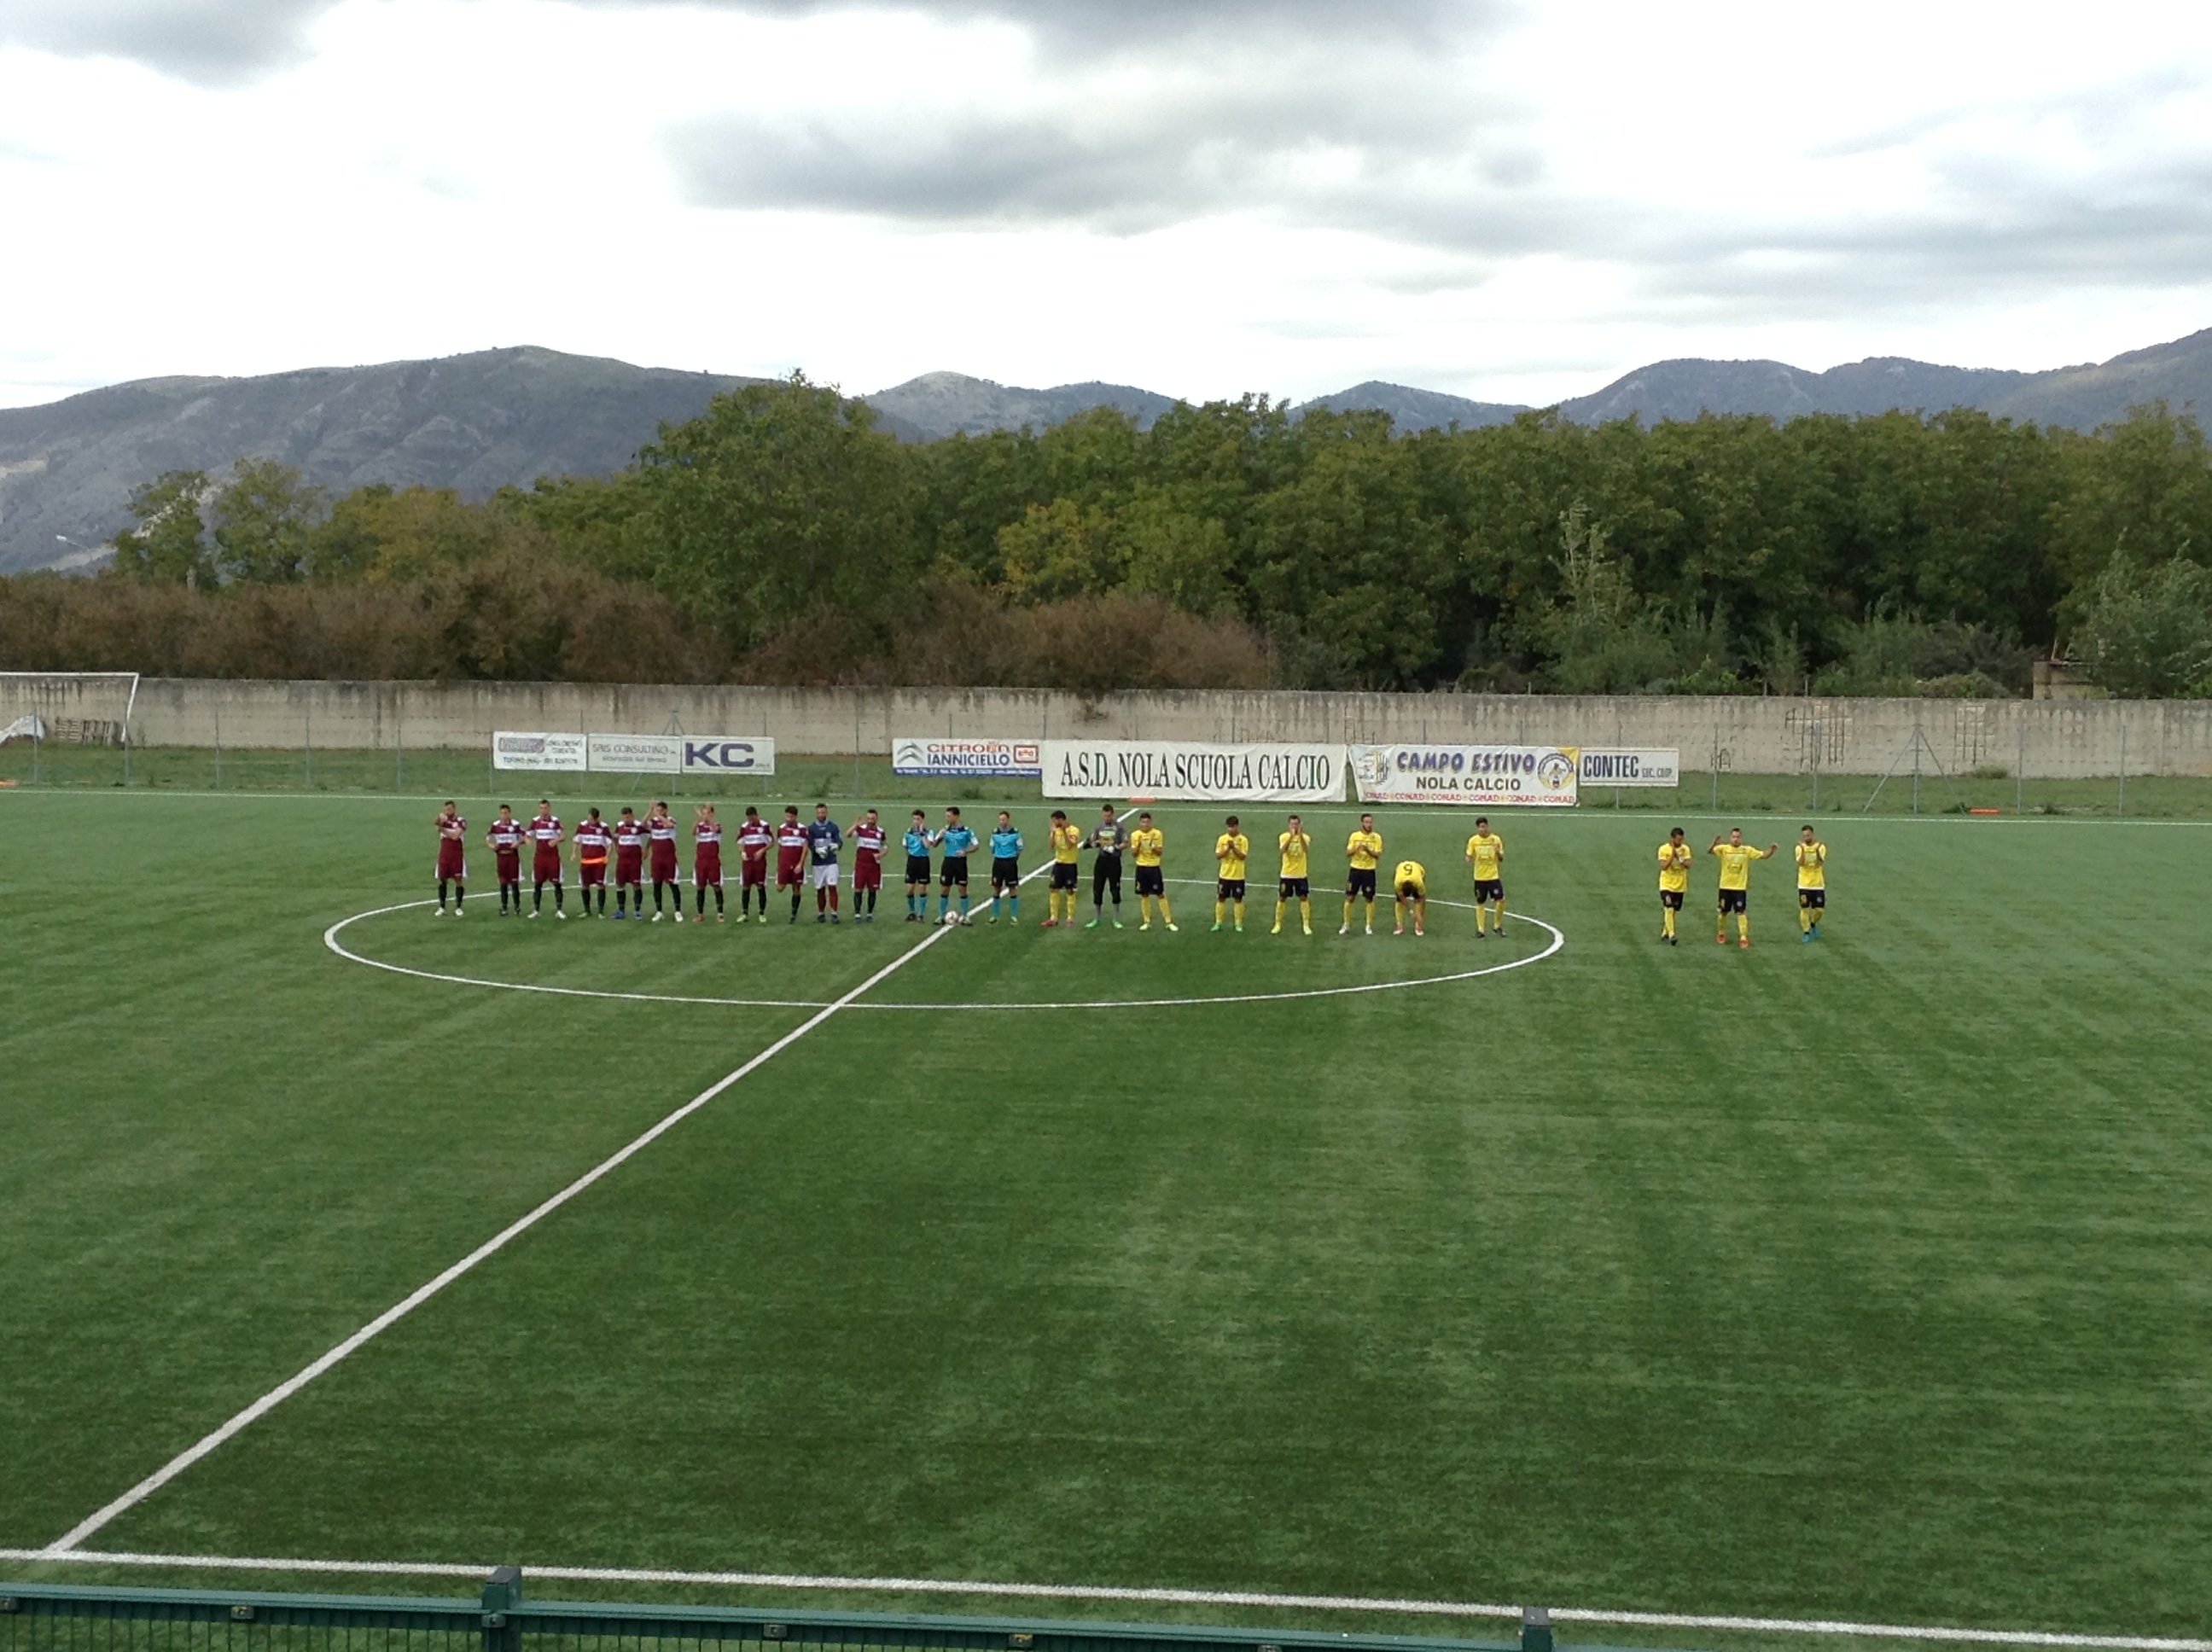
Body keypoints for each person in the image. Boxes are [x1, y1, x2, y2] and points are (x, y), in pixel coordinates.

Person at [1710, 828, 1778, 948]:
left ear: (1741, 838)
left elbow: (1763, 855)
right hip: (1725, 887)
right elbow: (1710, 851)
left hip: (1740, 888)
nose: (1736, 839)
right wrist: (1714, 843)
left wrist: (1771, 850)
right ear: (1730, 838)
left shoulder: (1747, 850)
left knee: (1741, 912)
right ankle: (1721, 933)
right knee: (1723, 912)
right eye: (1734, 837)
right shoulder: (1724, 849)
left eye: (1738, 837)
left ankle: (1743, 937)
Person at [1129, 810, 1174, 932]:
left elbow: (1160, 852)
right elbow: (1133, 854)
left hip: (1154, 867)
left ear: (1151, 823)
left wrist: (1152, 846)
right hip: (1141, 867)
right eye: (1143, 822)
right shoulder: (1135, 835)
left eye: (1147, 822)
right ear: (1140, 823)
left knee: (1160, 893)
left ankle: (1168, 921)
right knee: (1144, 894)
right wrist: (1139, 844)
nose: (1145, 825)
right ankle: (1146, 921)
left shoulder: (1157, 834)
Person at [1341, 812, 1382, 935]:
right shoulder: (1354, 836)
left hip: (1369, 871)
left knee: (1369, 898)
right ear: (1362, 823)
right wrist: (1357, 848)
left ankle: (1368, 926)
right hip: (1355, 870)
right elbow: (1348, 853)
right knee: (1350, 897)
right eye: (1366, 822)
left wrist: (1368, 850)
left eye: (1370, 822)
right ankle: (1346, 924)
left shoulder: (1376, 837)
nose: (1368, 824)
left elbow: (1378, 855)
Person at [1086, 803, 1126, 930]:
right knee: (1098, 888)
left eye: (1109, 816)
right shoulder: (1099, 827)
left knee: (1115, 889)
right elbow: (1092, 841)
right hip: (1102, 860)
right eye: (1105, 815)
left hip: (1114, 860)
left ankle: (1116, 919)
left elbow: (1126, 842)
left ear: (1112, 814)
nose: (1107, 818)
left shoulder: (1119, 827)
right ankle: (1097, 918)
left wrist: (1117, 847)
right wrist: (1096, 843)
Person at [1464, 816, 1505, 937]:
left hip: (1493, 876)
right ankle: (1480, 930)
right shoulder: (1473, 841)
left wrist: (1497, 851)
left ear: (1487, 826)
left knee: (1500, 900)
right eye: (1480, 827)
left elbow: (1501, 859)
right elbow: (1469, 856)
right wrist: (1468, 858)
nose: (1482, 830)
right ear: (1477, 828)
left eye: (1484, 827)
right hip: (1479, 877)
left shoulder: (1495, 839)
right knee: (1480, 902)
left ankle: (1497, 926)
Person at [935, 806, 977, 925]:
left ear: (956, 816)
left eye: (949, 816)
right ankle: (941, 915)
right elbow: (934, 844)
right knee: (944, 888)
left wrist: (966, 851)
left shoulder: (966, 831)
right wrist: (940, 837)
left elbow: (976, 845)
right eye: (946, 816)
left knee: (962, 889)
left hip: (960, 862)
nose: (947, 818)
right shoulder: (945, 830)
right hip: (948, 861)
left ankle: (965, 916)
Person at [1272, 814, 1313, 936]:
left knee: (1303, 898)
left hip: (1301, 874)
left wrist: (1299, 835)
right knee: (1282, 898)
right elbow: (1282, 850)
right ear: (1288, 825)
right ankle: (1278, 924)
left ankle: (1306, 925)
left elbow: (1306, 849)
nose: (1294, 826)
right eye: (1292, 824)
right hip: (1287, 874)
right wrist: (1291, 836)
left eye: (1296, 824)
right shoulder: (1284, 837)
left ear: (1300, 825)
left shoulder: (1305, 837)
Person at [1043, 809, 1083, 928]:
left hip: (1070, 864)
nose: (1054, 823)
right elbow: (1051, 846)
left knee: (1070, 891)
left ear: (1062, 820)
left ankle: (1070, 918)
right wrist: (1053, 833)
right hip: (1059, 864)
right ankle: (1053, 918)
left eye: (1056, 821)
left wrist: (1064, 831)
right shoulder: (1056, 830)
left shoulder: (1074, 830)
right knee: (1053, 889)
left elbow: (1070, 845)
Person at [1213, 814, 1251, 933]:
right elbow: (1218, 856)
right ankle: (1218, 923)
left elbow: (1243, 856)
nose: (1231, 829)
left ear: (1237, 827)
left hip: (1238, 875)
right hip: (1224, 875)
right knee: (1221, 898)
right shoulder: (1222, 839)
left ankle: (1238, 924)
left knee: (1238, 899)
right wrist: (1227, 849)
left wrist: (1233, 847)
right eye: (1229, 827)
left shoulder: (1243, 840)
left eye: (1233, 827)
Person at [527, 800, 566, 918]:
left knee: (557, 883)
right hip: (540, 858)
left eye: (545, 808)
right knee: (537, 884)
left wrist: (556, 840)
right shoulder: (535, 821)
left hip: (552, 858)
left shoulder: (555, 821)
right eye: (541, 808)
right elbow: (527, 834)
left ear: (549, 809)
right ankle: (536, 910)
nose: (543, 810)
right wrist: (527, 840)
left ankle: (559, 910)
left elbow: (563, 835)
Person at [1656, 825, 1693, 945]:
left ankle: (1665, 932)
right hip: (1666, 883)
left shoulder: (1685, 849)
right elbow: (1664, 867)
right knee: (1669, 907)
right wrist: (1672, 855)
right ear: (1672, 839)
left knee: (1674, 910)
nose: (1680, 842)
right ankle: (1672, 934)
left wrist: (1679, 858)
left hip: (1680, 884)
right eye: (1678, 840)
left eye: (1681, 839)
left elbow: (1688, 865)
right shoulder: (1663, 849)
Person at [808, 801, 844, 923]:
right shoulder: (811, 828)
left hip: (831, 862)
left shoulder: (833, 827)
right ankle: (821, 913)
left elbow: (839, 841)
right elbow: (809, 844)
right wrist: (816, 850)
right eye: (819, 812)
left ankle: (834, 913)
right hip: (818, 864)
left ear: (827, 812)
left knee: (832, 886)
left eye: (823, 812)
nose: (821, 814)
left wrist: (837, 846)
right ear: (816, 813)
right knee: (820, 889)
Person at [647, 800, 684, 922]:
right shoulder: (653, 822)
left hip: (669, 858)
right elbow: (642, 825)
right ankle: (659, 911)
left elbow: (669, 825)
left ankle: (677, 911)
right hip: (657, 858)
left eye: (661, 810)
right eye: (657, 810)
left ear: (666, 810)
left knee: (673, 884)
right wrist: (649, 811)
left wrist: (657, 814)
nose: (658, 812)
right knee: (657, 885)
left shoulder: (671, 820)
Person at [485, 805, 524, 916]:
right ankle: (504, 907)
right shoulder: (495, 826)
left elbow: (525, 836)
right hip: (501, 857)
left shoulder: (516, 825)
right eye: (502, 813)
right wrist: (491, 845)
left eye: (506, 813)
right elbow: (487, 839)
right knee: (503, 883)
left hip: (512, 857)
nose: (504, 815)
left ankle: (517, 906)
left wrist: (519, 842)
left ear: (510, 813)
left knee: (514, 882)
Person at [849, 807, 886, 922]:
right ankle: (857, 914)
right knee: (858, 889)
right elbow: (848, 834)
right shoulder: (861, 829)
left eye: (873, 818)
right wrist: (855, 824)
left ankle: (870, 913)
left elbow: (885, 847)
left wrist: (881, 854)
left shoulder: (880, 832)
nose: (870, 820)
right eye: (869, 818)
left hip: (874, 866)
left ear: (876, 819)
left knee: (872, 890)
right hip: (861, 865)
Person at [736, 806, 772, 922]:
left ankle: (762, 913)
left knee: (760, 886)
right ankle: (744, 913)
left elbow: (772, 842)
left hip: (760, 862)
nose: (751, 821)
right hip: (747, 862)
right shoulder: (744, 827)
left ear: (757, 815)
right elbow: (740, 842)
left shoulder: (764, 826)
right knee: (746, 886)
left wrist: (762, 851)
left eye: (752, 818)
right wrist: (742, 852)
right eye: (749, 819)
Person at [573, 808, 612, 916]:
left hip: (599, 862)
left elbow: (609, 845)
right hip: (586, 861)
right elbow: (576, 841)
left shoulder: (604, 827)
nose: (590, 820)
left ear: (597, 818)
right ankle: (587, 910)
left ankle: (600, 911)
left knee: (601, 885)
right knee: (585, 885)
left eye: (592, 819)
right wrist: (574, 853)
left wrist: (607, 856)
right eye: (589, 818)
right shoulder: (582, 826)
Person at [1795, 824, 1830, 941]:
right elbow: (1801, 863)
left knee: (1819, 909)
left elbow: (1820, 863)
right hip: (1804, 884)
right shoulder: (1799, 848)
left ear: (1813, 834)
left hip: (1818, 884)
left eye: (1808, 835)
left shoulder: (1821, 847)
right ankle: (1806, 932)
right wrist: (1804, 850)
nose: (1806, 838)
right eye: (1804, 836)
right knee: (1804, 908)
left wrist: (1817, 851)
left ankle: (1813, 923)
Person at [776, 805, 810, 922]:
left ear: (795, 816)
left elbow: (805, 848)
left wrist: (801, 864)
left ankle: (793, 914)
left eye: (790, 816)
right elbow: (780, 847)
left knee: (796, 888)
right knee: (780, 888)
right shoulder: (781, 829)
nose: (788, 818)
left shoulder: (802, 829)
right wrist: (779, 863)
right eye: (786, 816)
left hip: (796, 864)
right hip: (784, 864)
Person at [988, 811, 1024, 923]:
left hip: (1010, 863)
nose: (1002, 822)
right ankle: (995, 915)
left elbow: (1020, 847)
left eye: (1004, 819)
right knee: (996, 888)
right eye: (1000, 820)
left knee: (1012, 888)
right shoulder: (995, 833)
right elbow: (992, 847)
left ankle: (1014, 916)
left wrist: (1013, 858)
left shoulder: (1015, 833)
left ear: (1008, 820)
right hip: (998, 862)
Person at [433, 800, 468, 916]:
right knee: (443, 880)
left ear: (454, 809)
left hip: (456, 856)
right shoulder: (443, 821)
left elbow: (455, 836)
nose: (448, 811)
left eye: (450, 809)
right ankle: (442, 906)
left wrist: (442, 829)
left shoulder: (461, 821)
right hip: (444, 855)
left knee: (458, 880)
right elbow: (435, 822)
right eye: (446, 809)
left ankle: (458, 906)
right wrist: (438, 819)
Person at [613, 806, 647, 919]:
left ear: (632, 816)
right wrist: (617, 846)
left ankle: (637, 911)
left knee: (636, 885)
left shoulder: (638, 825)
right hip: (622, 861)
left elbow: (650, 833)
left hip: (635, 861)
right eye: (624, 817)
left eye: (628, 817)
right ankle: (621, 911)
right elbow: (615, 836)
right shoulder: (619, 826)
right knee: (620, 885)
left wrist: (646, 849)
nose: (626, 819)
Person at [693, 805, 725, 922]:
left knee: (716, 886)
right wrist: (699, 819)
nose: (705, 815)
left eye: (708, 813)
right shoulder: (699, 827)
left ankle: (720, 913)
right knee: (700, 887)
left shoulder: (717, 825)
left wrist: (709, 819)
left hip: (713, 861)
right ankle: (700, 913)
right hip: (701, 861)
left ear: (712, 814)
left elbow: (716, 830)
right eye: (704, 813)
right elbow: (692, 832)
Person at [902, 811, 934, 922]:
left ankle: (921, 914)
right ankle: (912, 912)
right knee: (910, 889)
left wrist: (921, 834)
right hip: (912, 861)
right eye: (914, 819)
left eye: (918, 819)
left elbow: (927, 846)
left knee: (922, 889)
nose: (916, 821)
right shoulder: (908, 832)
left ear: (923, 820)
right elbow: (905, 847)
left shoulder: (929, 832)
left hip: (923, 861)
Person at [1393, 858, 1428, 937]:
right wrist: (1411, 911)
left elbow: (1423, 898)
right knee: (1399, 901)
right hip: (1400, 868)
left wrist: (1420, 916)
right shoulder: (1398, 883)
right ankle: (1400, 926)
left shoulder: (1419, 882)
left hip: (1419, 869)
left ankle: (1418, 927)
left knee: (1418, 899)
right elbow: (1401, 897)